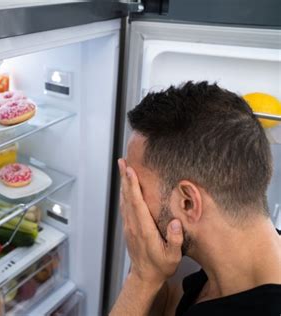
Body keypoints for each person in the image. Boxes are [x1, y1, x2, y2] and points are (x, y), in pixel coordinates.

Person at [110, 81, 281, 316]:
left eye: (136, 186)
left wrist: (141, 278)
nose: (129, 200)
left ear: (188, 202)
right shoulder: (228, 271)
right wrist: (149, 270)